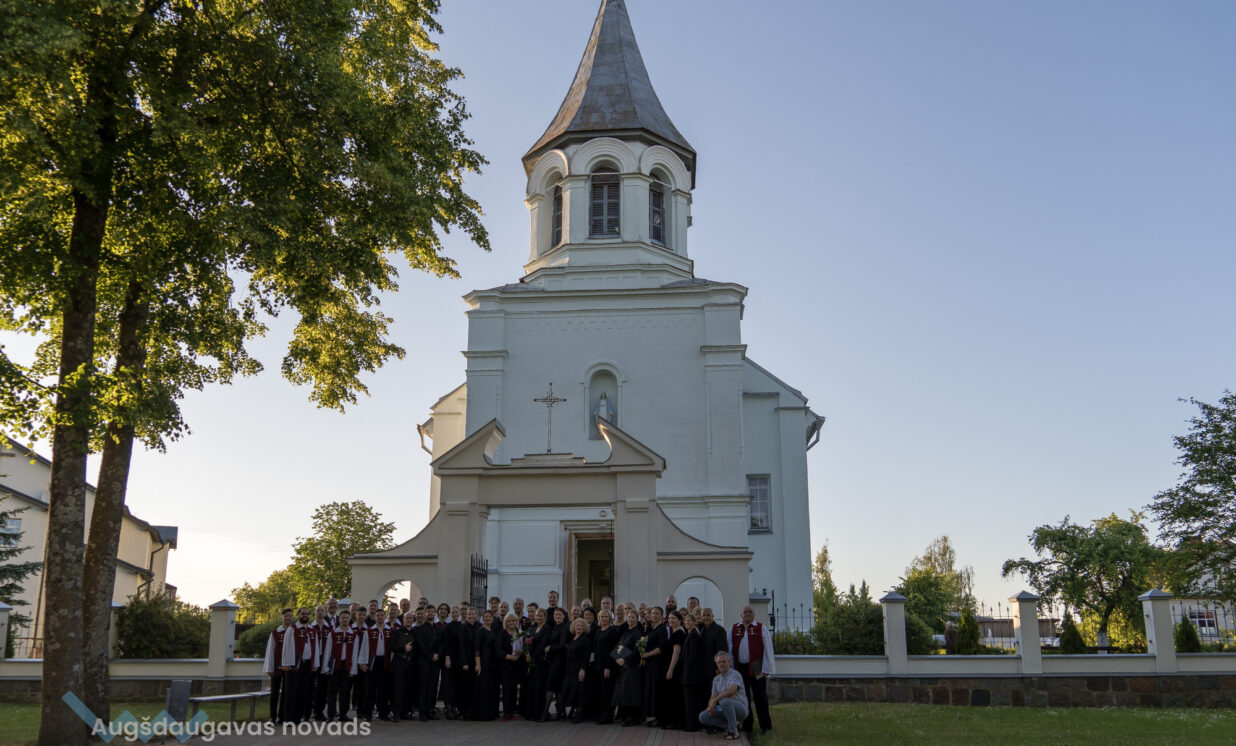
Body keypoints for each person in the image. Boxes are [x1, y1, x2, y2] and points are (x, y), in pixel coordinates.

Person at [729, 605, 775, 735]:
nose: (747, 614)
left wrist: (767, 668)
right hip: (740, 668)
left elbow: (768, 649)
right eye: (745, 612)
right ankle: (747, 725)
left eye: (750, 612)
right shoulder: (734, 628)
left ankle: (765, 726)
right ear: (741, 615)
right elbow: (729, 648)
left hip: (757, 667)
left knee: (760, 697)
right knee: (743, 697)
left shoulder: (761, 628)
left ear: (754, 615)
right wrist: (731, 669)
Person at [699, 652, 748, 740]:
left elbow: (731, 691)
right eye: (719, 662)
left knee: (725, 701)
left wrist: (715, 700)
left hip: (740, 709)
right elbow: (713, 697)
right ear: (717, 664)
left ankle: (733, 732)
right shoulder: (716, 679)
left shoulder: (735, 674)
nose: (721, 664)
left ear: (729, 662)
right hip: (724, 709)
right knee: (703, 716)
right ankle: (735, 726)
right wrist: (710, 706)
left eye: (724, 661)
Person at [323, 609, 359, 722]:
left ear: (349, 619)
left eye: (347, 618)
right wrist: (326, 667)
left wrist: (353, 669)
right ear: (339, 619)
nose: (345, 620)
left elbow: (355, 653)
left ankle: (343, 714)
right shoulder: (333, 633)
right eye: (343, 617)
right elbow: (328, 651)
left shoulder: (353, 634)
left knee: (345, 691)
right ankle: (331, 715)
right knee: (332, 692)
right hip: (335, 665)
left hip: (347, 666)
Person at [286, 607, 319, 723]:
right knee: (292, 691)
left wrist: (315, 663)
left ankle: (299, 717)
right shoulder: (292, 629)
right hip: (295, 664)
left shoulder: (312, 630)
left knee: (303, 692)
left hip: (307, 664)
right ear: (298, 615)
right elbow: (287, 647)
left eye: (307, 614)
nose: (305, 615)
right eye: (302, 613)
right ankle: (289, 718)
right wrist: (287, 663)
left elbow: (316, 647)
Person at [262, 608, 296, 723]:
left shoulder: (294, 632)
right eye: (285, 616)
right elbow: (270, 650)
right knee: (274, 693)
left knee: (286, 693)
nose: (288, 618)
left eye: (290, 616)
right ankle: (273, 717)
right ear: (282, 617)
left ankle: (282, 717)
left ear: (292, 617)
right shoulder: (275, 633)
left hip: (290, 667)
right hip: (277, 667)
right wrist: (269, 667)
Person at [612, 609, 644, 727]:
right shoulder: (625, 632)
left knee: (632, 692)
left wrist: (624, 659)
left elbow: (637, 651)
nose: (630, 619)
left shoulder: (638, 633)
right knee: (625, 692)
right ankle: (627, 716)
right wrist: (617, 657)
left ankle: (633, 717)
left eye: (633, 617)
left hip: (633, 666)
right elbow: (620, 646)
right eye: (629, 617)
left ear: (637, 619)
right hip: (623, 667)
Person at [412, 606, 443, 720]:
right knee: (423, 688)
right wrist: (431, 656)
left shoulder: (439, 629)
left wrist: (438, 655)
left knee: (432, 689)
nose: (430, 613)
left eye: (432, 611)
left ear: (435, 613)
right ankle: (423, 713)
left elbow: (442, 644)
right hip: (424, 662)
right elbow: (421, 646)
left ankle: (430, 711)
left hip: (435, 663)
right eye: (428, 611)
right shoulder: (419, 629)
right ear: (425, 613)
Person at [591, 608, 621, 725]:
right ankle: (600, 715)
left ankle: (606, 717)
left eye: (606, 617)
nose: (603, 619)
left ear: (610, 618)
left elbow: (615, 651)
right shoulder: (598, 631)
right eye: (601, 617)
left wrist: (608, 667)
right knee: (599, 692)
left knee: (607, 693)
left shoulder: (613, 631)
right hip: (598, 666)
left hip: (608, 667)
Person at [658, 610, 686, 729]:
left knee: (673, 695)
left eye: (674, 618)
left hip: (674, 669)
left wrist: (670, 669)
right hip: (669, 667)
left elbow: (676, 652)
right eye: (669, 618)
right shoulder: (674, 632)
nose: (671, 620)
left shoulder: (679, 633)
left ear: (680, 620)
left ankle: (674, 722)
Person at [680, 611, 707, 732]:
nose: (687, 623)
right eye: (685, 621)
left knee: (691, 700)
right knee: (691, 699)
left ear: (695, 622)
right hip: (690, 673)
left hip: (691, 675)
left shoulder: (694, 635)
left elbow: (691, 656)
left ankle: (692, 725)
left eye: (689, 621)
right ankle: (692, 723)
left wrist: (686, 672)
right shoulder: (690, 633)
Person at [542, 607, 570, 720]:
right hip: (553, 661)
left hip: (559, 661)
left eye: (559, 614)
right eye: (556, 614)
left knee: (549, 687)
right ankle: (562, 713)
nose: (557, 616)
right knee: (558, 688)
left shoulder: (564, 628)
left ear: (564, 616)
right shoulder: (555, 627)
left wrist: (550, 648)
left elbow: (563, 645)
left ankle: (545, 713)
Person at [471, 609, 499, 720]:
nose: (488, 618)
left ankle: (489, 713)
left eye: (490, 617)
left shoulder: (492, 630)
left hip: (491, 663)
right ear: (483, 618)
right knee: (482, 689)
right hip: (483, 662)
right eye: (486, 617)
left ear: (493, 618)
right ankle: (481, 714)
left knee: (489, 688)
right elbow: (476, 649)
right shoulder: (480, 630)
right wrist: (478, 665)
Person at [640, 606, 665, 726]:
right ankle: (649, 715)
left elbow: (662, 648)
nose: (654, 615)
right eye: (653, 613)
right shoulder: (650, 629)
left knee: (655, 690)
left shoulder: (662, 629)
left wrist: (648, 654)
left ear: (661, 616)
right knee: (648, 689)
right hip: (648, 664)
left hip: (656, 663)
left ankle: (655, 716)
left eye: (657, 613)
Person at [563, 617, 591, 723]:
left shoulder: (585, 639)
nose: (578, 627)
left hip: (579, 669)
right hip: (570, 669)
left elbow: (586, 656)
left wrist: (582, 669)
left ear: (584, 628)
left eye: (581, 626)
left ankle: (580, 714)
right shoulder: (573, 638)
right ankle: (573, 711)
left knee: (579, 692)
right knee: (571, 690)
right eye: (577, 625)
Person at [389, 612, 415, 722]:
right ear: (403, 620)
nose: (409, 620)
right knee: (398, 690)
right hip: (399, 665)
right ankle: (396, 713)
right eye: (407, 618)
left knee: (408, 689)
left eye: (410, 618)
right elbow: (391, 646)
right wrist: (403, 649)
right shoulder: (397, 632)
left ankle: (405, 712)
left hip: (410, 665)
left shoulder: (415, 632)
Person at [526, 608, 550, 720]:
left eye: (541, 616)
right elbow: (527, 642)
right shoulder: (533, 628)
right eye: (537, 615)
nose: (539, 617)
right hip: (530, 661)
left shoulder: (547, 628)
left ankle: (538, 713)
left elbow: (543, 645)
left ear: (545, 617)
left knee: (539, 687)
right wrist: (527, 653)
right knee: (531, 687)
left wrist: (532, 657)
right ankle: (530, 713)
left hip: (540, 661)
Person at [498, 613, 523, 721]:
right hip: (506, 665)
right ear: (505, 623)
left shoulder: (519, 633)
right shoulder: (502, 634)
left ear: (516, 622)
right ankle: (506, 714)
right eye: (509, 621)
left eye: (513, 620)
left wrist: (520, 652)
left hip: (516, 665)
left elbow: (522, 647)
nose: (511, 622)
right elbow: (498, 649)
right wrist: (508, 656)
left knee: (514, 689)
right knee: (507, 690)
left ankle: (512, 712)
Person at [456, 606, 479, 719]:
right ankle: (463, 711)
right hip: (466, 662)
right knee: (465, 687)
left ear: (476, 615)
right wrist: (464, 662)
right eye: (469, 614)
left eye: (473, 614)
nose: (471, 616)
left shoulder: (480, 627)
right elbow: (462, 646)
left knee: (475, 688)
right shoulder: (463, 627)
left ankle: (473, 711)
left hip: (477, 661)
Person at [310, 605, 332, 720]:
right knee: (311, 685)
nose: (320, 612)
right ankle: (311, 709)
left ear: (325, 613)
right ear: (315, 613)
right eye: (318, 610)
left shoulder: (329, 628)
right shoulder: (310, 628)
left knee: (323, 686)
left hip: (324, 658)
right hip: (313, 658)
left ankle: (320, 711)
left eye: (322, 610)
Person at [699, 608, 727, 677]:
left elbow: (722, 650)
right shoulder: (702, 630)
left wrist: (719, 667)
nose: (706, 617)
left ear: (713, 616)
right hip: (703, 669)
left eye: (708, 615)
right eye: (703, 615)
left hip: (715, 669)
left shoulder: (719, 630)